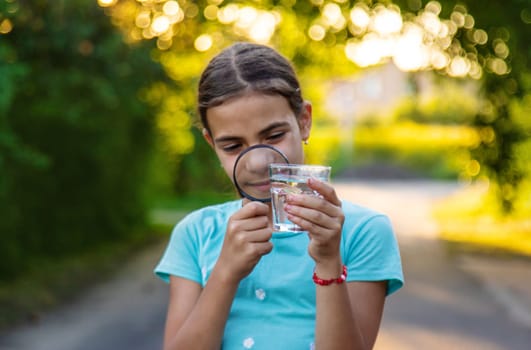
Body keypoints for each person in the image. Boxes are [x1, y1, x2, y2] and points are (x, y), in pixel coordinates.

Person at [154, 42, 404, 350]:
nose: (259, 163)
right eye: (232, 146)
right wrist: (225, 271)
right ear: (211, 144)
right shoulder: (194, 234)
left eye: (273, 136)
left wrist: (328, 261)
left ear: (304, 121)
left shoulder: (363, 230)